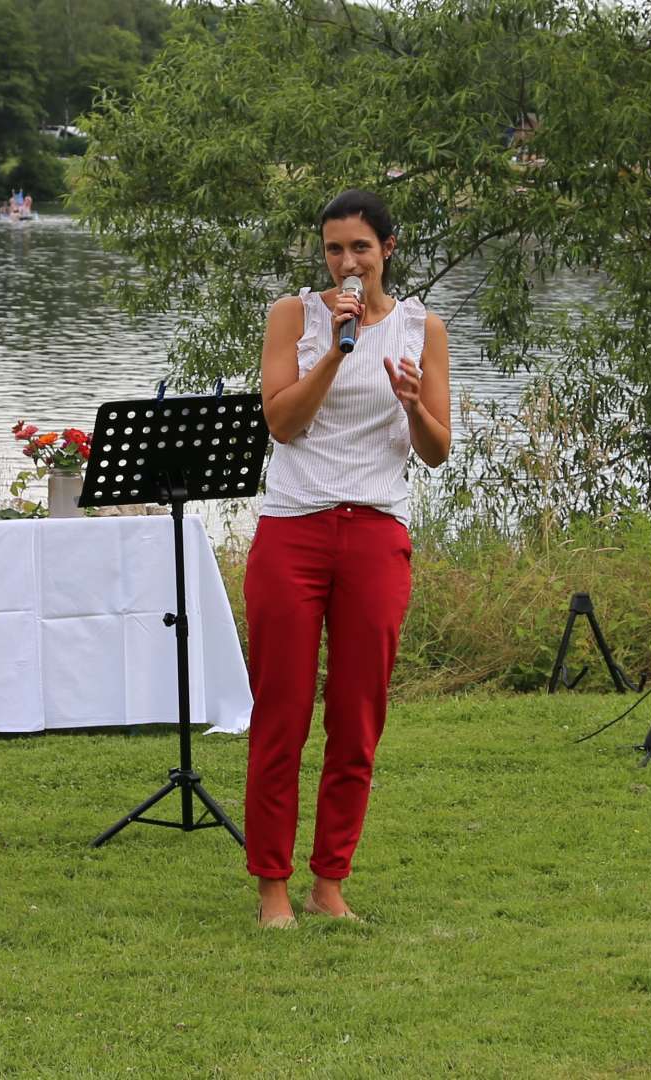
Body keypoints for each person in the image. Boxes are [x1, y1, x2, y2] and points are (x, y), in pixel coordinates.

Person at [243, 188, 451, 929]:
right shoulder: (293, 317)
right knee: (281, 715)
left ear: (387, 250)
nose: (345, 262)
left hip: (373, 535)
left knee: (357, 717)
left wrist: (411, 405)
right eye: (333, 248)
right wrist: (336, 350)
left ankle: (329, 881)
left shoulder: (422, 328)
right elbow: (282, 425)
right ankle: (272, 883)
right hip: (291, 533)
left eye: (359, 247)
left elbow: (434, 453)